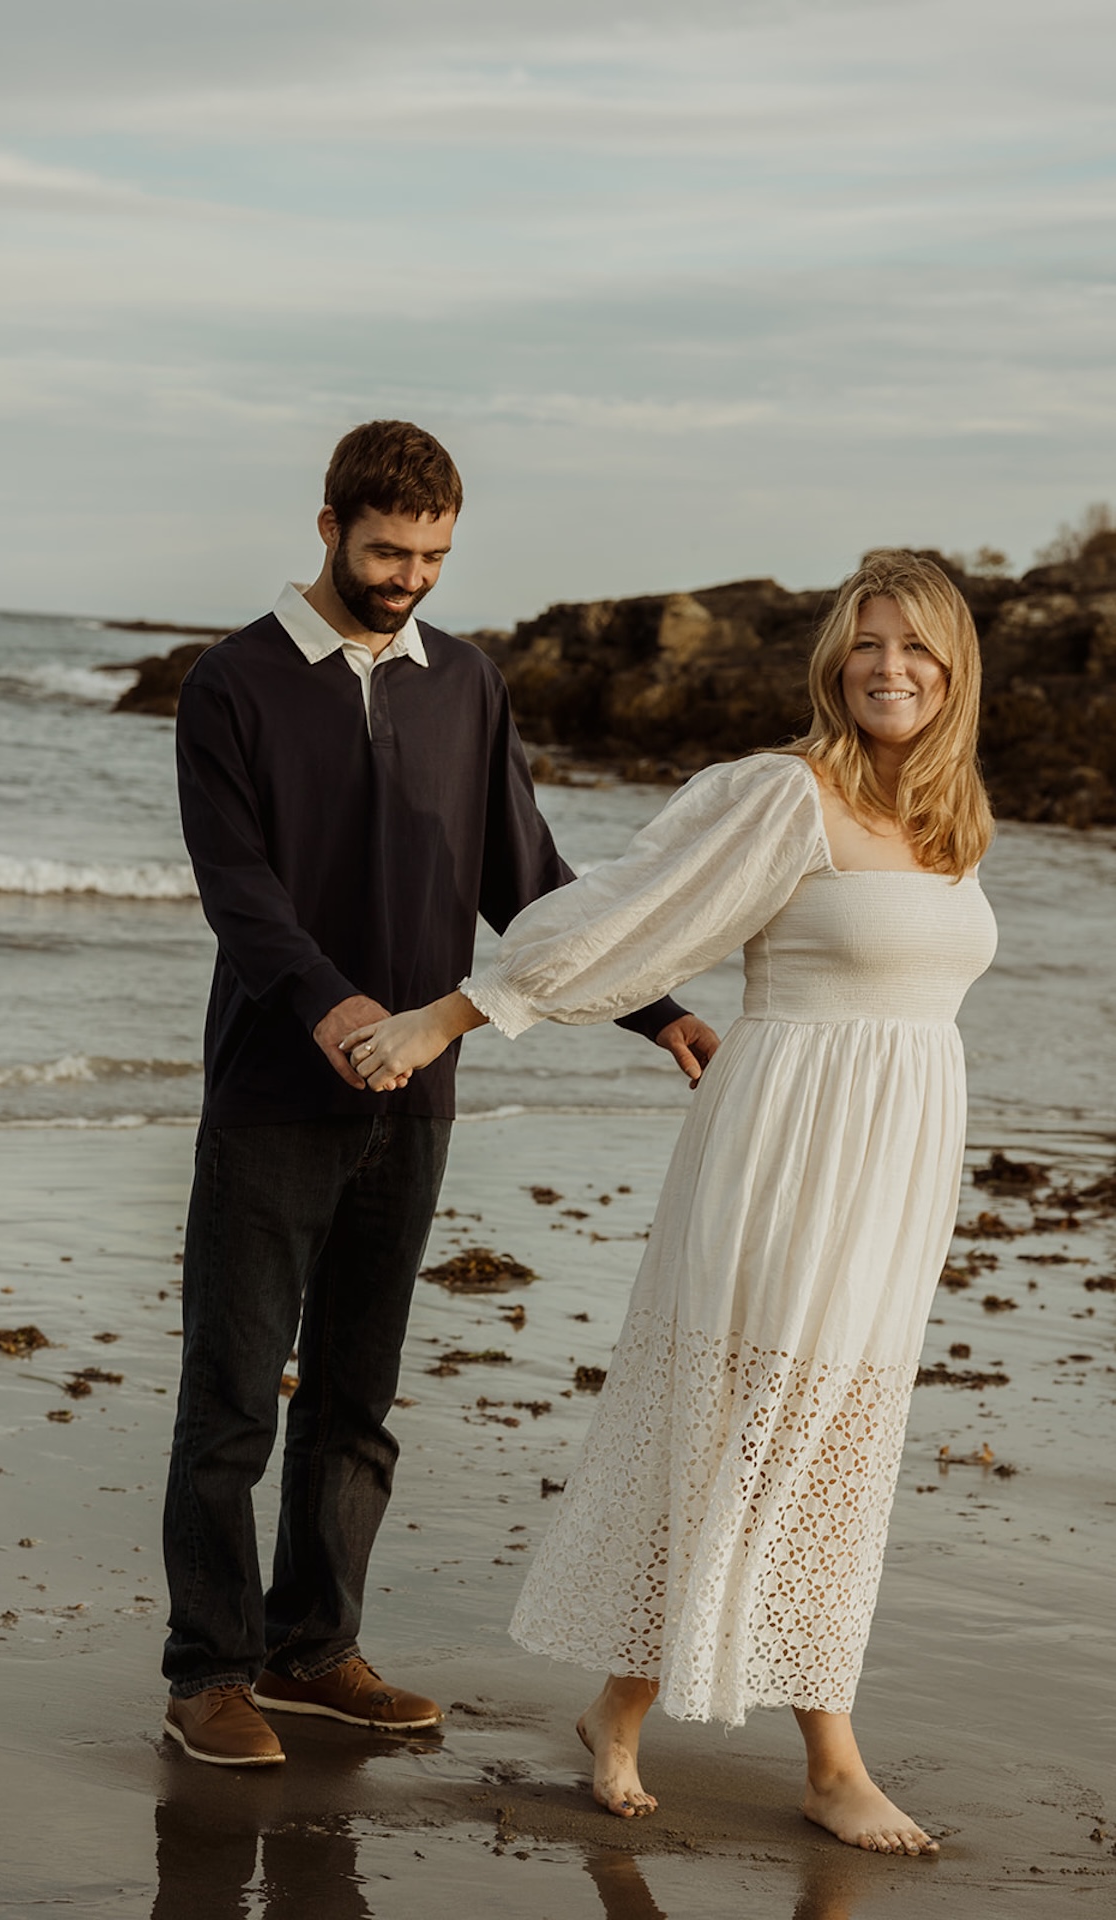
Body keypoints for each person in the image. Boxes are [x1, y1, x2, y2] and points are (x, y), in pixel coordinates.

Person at [344, 549, 998, 1855]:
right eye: (868, 644)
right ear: (834, 659)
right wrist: (451, 1016)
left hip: (898, 1164)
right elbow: (619, 919)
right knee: (754, 1430)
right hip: (788, 1148)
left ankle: (624, 1707)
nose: (890, 667)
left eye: (917, 647)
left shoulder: (954, 816)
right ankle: (825, 1758)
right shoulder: (784, 795)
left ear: (954, 668)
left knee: (834, 1449)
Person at [160, 419, 717, 1767]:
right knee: (233, 1395)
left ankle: (315, 1651)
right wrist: (331, 1003)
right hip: (272, 1094)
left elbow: (526, 881)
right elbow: (240, 892)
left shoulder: (467, 684)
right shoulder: (229, 685)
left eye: (432, 556)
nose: (409, 575)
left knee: (357, 1394)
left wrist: (657, 1008)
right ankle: (209, 1674)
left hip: (416, 1103)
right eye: (387, 549)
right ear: (329, 527)